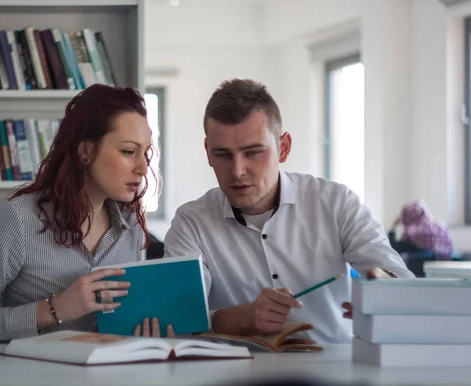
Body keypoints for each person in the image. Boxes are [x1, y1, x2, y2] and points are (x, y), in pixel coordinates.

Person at [163, 78, 415, 344]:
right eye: (223, 155)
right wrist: (242, 319)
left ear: (283, 148)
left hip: (333, 369)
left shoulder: (336, 203)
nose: (237, 171)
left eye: (253, 152)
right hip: (235, 375)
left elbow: (401, 282)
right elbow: (178, 317)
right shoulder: (191, 221)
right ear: (208, 153)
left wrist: (384, 290)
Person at [0, 84, 173, 342]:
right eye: (128, 152)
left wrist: (142, 329)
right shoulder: (18, 220)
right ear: (85, 151)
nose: (143, 167)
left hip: (108, 378)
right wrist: (56, 308)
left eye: (146, 153)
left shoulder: (130, 227)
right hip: (35, 379)